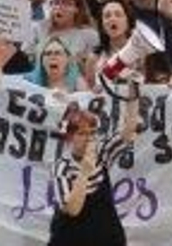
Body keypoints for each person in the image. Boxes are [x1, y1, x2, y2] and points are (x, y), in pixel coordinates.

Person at [48, 95, 141, 246]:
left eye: (92, 133)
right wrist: (85, 171)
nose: (88, 138)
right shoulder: (61, 167)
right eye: (82, 133)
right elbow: (72, 209)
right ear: (70, 138)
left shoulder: (102, 153)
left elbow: (129, 129)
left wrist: (133, 89)